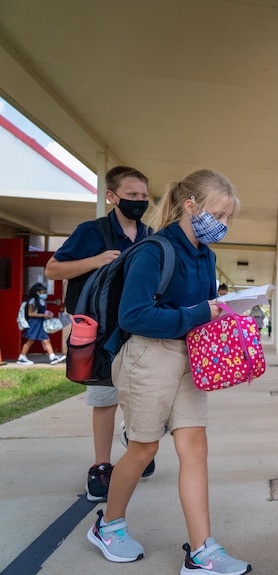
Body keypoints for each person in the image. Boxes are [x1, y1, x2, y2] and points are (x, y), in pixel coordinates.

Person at [86, 169, 251, 575]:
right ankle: (109, 525)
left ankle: (201, 552)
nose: (224, 224)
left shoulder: (206, 256)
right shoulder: (153, 251)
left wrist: (227, 313)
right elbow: (134, 315)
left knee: (195, 448)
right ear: (191, 206)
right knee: (143, 447)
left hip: (188, 356)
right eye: (219, 214)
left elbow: (204, 310)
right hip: (148, 356)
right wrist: (200, 312)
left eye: (229, 217)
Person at [45, 165, 155, 502]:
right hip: (100, 329)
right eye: (132, 195)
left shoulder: (151, 236)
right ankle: (102, 466)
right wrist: (96, 261)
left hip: (140, 329)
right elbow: (53, 268)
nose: (139, 201)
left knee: (145, 396)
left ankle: (135, 443)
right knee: (105, 399)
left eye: (143, 196)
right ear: (112, 196)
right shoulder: (91, 232)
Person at [17, 282, 65, 365]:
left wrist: (47, 313)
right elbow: (30, 313)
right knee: (31, 340)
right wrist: (44, 315)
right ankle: (22, 357)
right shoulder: (32, 301)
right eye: (43, 293)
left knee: (46, 340)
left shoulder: (41, 301)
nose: (45, 294)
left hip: (40, 322)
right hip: (34, 323)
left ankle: (52, 357)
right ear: (37, 292)